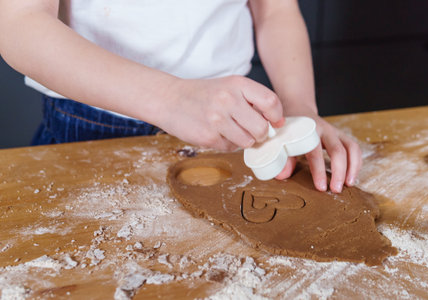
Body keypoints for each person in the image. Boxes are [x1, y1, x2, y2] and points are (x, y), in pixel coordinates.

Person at [0, 0, 362, 193]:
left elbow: (276, 9)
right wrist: (171, 99)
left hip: (235, 130)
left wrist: (299, 108)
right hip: (90, 131)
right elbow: (19, 23)